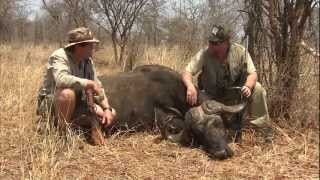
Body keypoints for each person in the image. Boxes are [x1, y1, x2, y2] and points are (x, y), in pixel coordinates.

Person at [182, 24, 272, 140]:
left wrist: (248, 87)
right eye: (210, 42)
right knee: (192, 95)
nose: (211, 46)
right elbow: (187, 72)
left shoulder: (240, 51)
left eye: (215, 43)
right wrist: (190, 86)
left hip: (234, 96)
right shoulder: (205, 53)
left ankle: (261, 129)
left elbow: (253, 74)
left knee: (258, 88)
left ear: (226, 42)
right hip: (211, 97)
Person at [36, 27, 116, 132]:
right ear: (79, 46)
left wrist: (106, 108)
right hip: (53, 102)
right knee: (67, 94)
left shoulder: (87, 61)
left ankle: (73, 125)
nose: (93, 48)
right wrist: (88, 83)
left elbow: (98, 86)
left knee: (111, 113)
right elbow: (61, 79)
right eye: (90, 45)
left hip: (78, 102)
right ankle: (62, 132)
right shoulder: (59, 56)